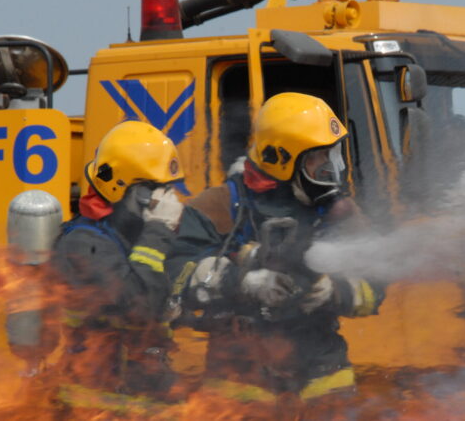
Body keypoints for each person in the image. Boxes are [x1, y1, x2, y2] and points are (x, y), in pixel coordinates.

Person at [166, 92, 385, 402]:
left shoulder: (339, 212)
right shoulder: (218, 205)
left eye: (331, 155)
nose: (328, 168)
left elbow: (376, 282)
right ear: (280, 158)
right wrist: (242, 281)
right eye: (316, 158)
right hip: (240, 371)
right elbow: (175, 271)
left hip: (322, 367)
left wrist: (334, 292)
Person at [51, 121, 186, 408]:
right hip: (95, 406)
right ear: (117, 185)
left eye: (168, 188)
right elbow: (138, 307)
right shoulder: (82, 246)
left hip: (140, 400)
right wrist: (159, 230)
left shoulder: (134, 239)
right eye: (153, 189)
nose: (165, 200)